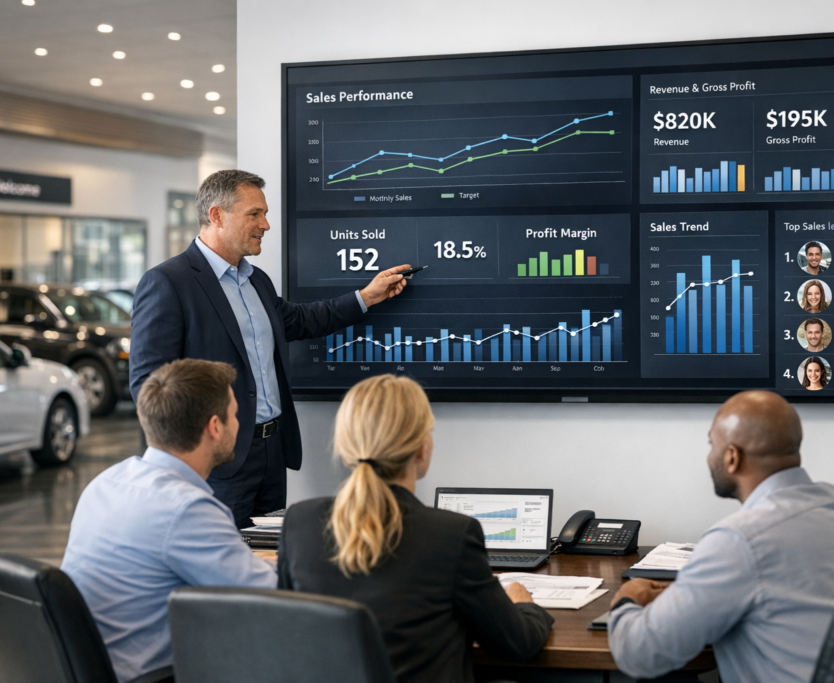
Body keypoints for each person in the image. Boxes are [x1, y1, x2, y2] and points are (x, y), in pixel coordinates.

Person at [130, 169, 411, 528]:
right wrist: (199, 449)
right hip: (217, 461)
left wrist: (366, 297)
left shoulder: (256, 281)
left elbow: (301, 320)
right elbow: (148, 385)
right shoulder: (168, 282)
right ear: (217, 216)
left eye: (264, 214)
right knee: (223, 558)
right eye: (254, 214)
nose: (265, 224)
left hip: (272, 454)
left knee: (269, 555)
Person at [607, 391, 834, 683]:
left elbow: (640, 653)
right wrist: (692, 592)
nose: (709, 456)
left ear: (732, 457)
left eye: (712, 445)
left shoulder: (739, 540)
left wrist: (628, 598)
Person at [277, 375, 553, 683]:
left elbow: (286, 635)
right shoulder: (451, 535)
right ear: (422, 449)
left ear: (346, 449)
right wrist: (525, 605)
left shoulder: (299, 523)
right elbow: (517, 644)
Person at [62, 359, 278, 683]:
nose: (239, 423)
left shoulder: (105, 483)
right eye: (235, 414)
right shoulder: (186, 508)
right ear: (215, 427)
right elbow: (269, 595)